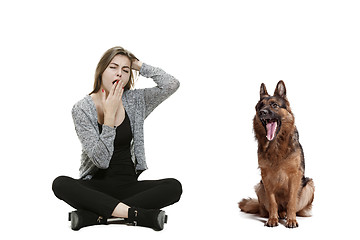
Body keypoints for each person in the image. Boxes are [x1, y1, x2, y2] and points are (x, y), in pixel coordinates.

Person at [52, 46, 182, 231]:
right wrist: (110, 118)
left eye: (125, 70)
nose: (119, 74)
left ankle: (95, 216)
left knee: (174, 187)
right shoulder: (81, 109)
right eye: (113, 67)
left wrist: (139, 65)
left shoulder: (136, 101)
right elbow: (101, 161)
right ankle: (136, 215)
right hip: (96, 188)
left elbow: (171, 84)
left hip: (129, 185)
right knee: (60, 183)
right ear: (101, 71)